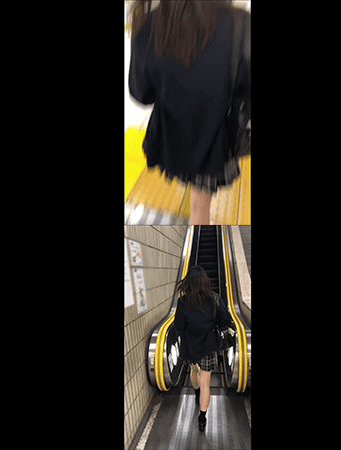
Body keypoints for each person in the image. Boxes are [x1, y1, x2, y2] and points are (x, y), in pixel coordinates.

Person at [129, 1, 251, 224]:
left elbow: (142, 94)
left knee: (193, 199)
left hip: (170, 141)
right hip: (214, 142)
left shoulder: (147, 24)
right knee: (200, 207)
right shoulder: (242, 24)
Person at [174, 265, 235, 432]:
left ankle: (196, 392)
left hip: (190, 346)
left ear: (188, 282)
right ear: (205, 281)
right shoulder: (215, 298)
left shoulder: (183, 301)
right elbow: (226, 321)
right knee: (206, 384)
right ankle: (202, 418)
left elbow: (178, 326)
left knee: (194, 372)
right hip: (208, 346)